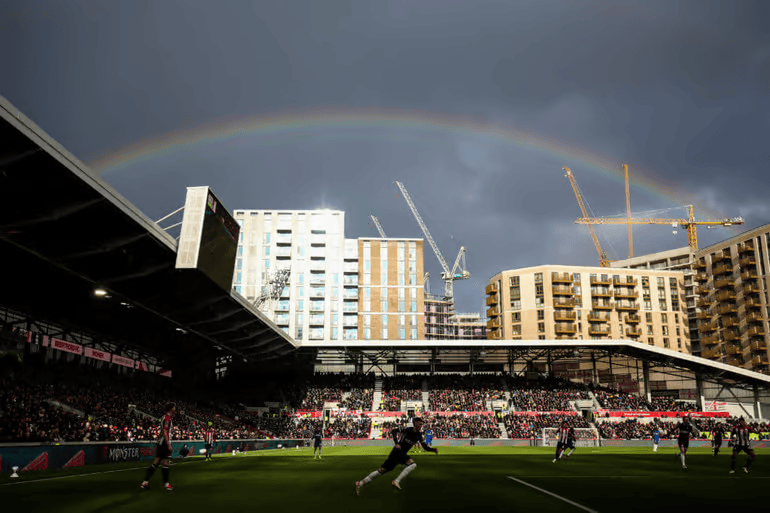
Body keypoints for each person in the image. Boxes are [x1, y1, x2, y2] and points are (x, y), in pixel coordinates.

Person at [355, 417, 438, 494]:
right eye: (419, 424)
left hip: (399, 454)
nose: (420, 426)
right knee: (412, 464)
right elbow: (394, 431)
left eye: (421, 424)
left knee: (382, 470)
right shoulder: (407, 430)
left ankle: (360, 483)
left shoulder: (419, 435)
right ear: (414, 423)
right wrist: (396, 443)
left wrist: (433, 450)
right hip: (398, 452)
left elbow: (425, 447)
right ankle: (396, 481)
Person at [140, 402, 176, 492]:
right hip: (164, 443)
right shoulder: (167, 418)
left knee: (156, 462)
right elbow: (165, 432)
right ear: (171, 408)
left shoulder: (164, 417)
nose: (175, 409)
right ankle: (166, 484)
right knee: (166, 462)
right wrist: (168, 444)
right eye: (174, 407)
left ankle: (145, 482)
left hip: (161, 442)